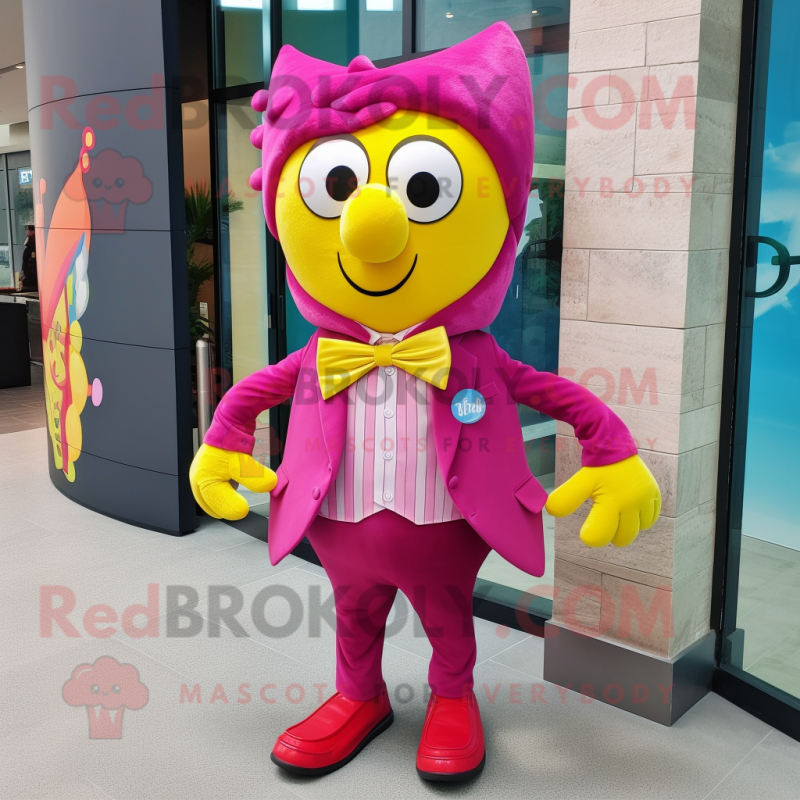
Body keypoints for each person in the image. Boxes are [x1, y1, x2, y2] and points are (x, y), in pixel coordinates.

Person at [18, 225, 38, 292]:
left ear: (33, 231)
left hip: (31, 282)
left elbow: (31, 264)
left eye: (27, 229)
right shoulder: (31, 243)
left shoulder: (33, 244)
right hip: (31, 281)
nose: (26, 231)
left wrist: (26, 277)